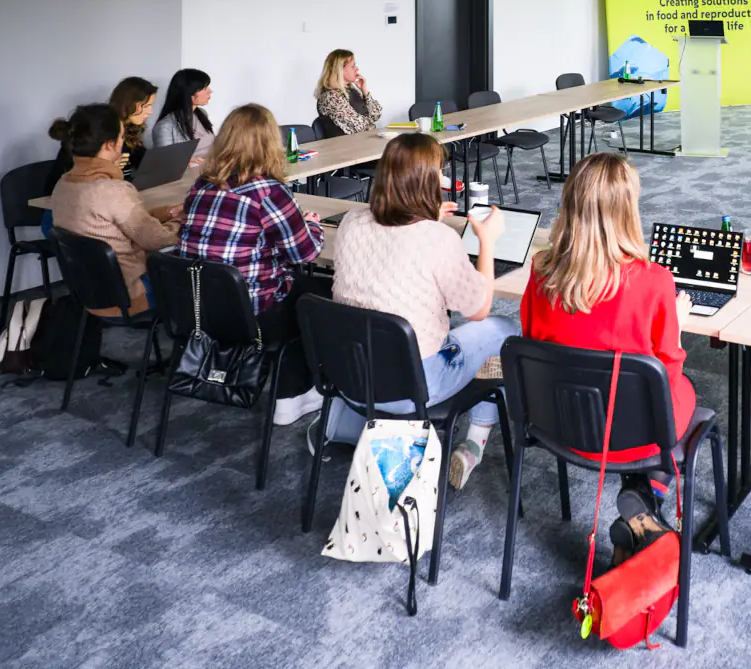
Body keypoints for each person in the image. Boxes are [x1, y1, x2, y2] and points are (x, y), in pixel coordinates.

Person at [521, 153, 694, 563]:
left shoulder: (541, 269)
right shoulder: (654, 283)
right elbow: (666, 374)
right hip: (632, 435)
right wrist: (677, 320)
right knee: (683, 394)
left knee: (632, 391)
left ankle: (643, 495)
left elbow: (531, 341)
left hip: (558, 424)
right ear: (626, 209)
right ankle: (646, 491)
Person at [330, 133, 515, 486]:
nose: (444, 181)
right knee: (503, 329)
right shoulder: (436, 239)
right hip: (414, 383)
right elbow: (478, 308)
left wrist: (430, 219)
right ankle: (473, 445)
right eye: (439, 173)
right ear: (426, 182)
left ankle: (344, 426)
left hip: (351, 375)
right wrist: (486, 243)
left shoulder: (352, 222)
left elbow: (393, 258)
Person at [176, 104, 327, 426]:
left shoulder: (200, 186)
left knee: (297, 286)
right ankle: (292, 394)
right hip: (253, 316)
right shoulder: (268, 192)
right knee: (319, 296)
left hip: (196, 310)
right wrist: (312, 224)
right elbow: (305, 253)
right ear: (271, 144)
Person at [49, 104, 181, 318]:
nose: (124, 142)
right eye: (122, 137)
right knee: (199, 277)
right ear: (110, 145)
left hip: (89, 293)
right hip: (130, 296)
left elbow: (120, 223)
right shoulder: (113, 190)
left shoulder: (63, 184)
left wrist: (170, 213)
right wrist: (185, 222)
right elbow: (156, 239)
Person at [44, 76, 157, 195]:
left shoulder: (131, 132)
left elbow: (143, 161)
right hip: (84, 198)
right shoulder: (95, 131)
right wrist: (108, 168)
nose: (150, 112)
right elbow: (65, 181)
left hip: (116, 194)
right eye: (145, 106)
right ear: (127, 104)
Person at [315, 49, 384, 135]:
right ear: (340, 70)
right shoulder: (331, 97)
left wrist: (364, 91)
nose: (357, 69)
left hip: (362, 141)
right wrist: (372, 121)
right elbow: (359, 126)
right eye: (353, 66)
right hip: (344, 146)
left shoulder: (351, 90)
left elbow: (376, 114)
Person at [152, 68, 216, 153]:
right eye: (204, 88)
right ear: (189, 92)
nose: (210, 91)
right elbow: (165, 161)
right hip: (190, 166)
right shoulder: (165, 126)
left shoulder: (202, 114)